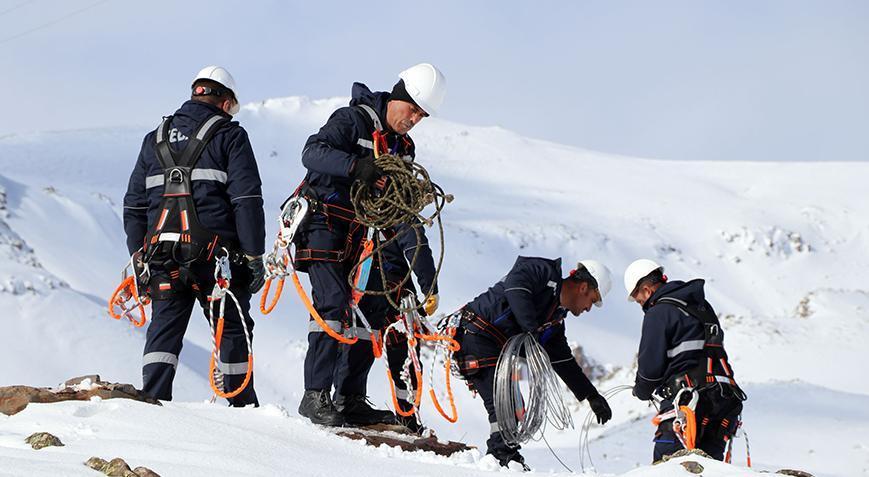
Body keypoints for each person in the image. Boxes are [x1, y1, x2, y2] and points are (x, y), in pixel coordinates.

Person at [294, 63, 447, 426]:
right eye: (412, 110)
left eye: (421, 116)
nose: (414, 119)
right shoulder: (352, 120)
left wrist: (425, 280)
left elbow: (401, 212)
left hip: (362, 236)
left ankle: (349, 398)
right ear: (398, 96)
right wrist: (357, 167)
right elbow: (312, 153)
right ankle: (314, 395)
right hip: (323, 223)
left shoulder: (403, 147)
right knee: (332, 304)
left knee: (370, 312)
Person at [123, 65, 266, 407]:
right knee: (231, 327)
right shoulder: (230, 135)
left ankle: (153, 402)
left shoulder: (154, 138)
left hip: (161, 257)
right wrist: (253, 256)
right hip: (215, 259)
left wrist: (139, 257)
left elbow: (133, 205)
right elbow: (247, 200)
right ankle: (243, 409)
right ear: (225, 102)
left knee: (163, 330)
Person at [453, 257, 614, 468]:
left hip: (493, 348)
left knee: (513, 407)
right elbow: (516, 288)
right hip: (476, 335)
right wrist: (531, 328)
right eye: (592, 300)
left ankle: (505, 455)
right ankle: (500, 457)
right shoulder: (542, 272)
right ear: (583, 287)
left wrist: (591, 395)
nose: (589, 309)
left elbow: (562, 359)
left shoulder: (554, 319)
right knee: (505, 406)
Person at [624, 259, 746, 462]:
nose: (641, 306)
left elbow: (650, 368)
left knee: (668, 466)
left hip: (688, 402)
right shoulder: (701, 307)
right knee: (708, 468)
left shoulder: (658, 313)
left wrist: (641, 390)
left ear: (646, 290)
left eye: (639, 301)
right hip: (723, 401)